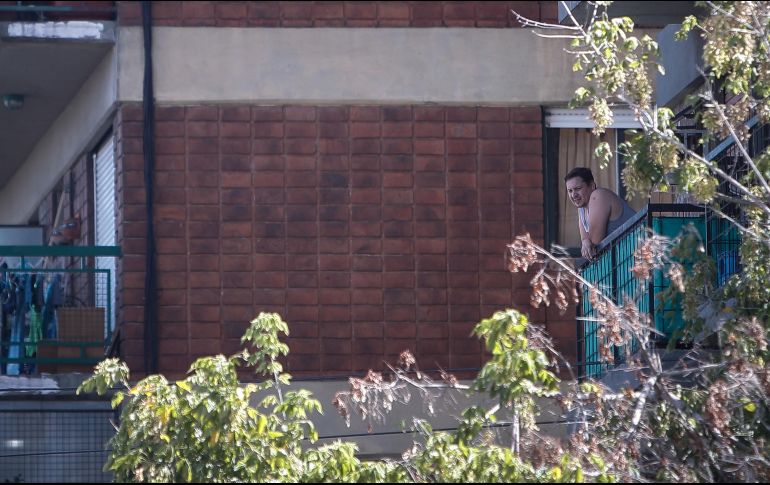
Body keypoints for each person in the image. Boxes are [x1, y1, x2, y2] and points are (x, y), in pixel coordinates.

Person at [564, 167, 636, 260]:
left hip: (641, 251)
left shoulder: (598, 196)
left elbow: (594, 245)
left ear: (592, 186)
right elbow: (585, 240)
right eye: (570, 191)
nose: (574, 195)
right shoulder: (582, 207)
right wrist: (585, 241)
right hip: (627, 256)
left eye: (578, 189)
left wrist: (587, 243)